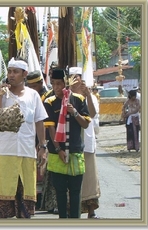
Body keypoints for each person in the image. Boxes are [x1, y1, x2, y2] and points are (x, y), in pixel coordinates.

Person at [0, 57, 48, 219]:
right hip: (5, 152)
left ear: (24, 74)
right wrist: (1, 96)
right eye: (9, 71)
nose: (11, 75)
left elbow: (39, 122)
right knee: (4, 202)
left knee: (25, 202)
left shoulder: (33, 96)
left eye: (15, 72)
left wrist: (42, 148)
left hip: (26, 153)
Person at [43, 68, 90, 218]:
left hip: (75, 151)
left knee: (76, 192)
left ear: (66, 84)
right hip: (57, 153)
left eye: (59, 84)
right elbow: (51, 129)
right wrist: (59, 150)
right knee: (60, 192)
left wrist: (74, 112)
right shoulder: (49, 101)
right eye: (53, 84)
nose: (56, 88)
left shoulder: (79, 99)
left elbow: (85, 124)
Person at [69, 67, 101, 219]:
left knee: (89, 178)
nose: (75, 80)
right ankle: (72, 209)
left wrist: (87, 95)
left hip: (86, 142)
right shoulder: (66, 95)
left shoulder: (90, 96)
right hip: (71, 142)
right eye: (72, 77)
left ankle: (90, 210)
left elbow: (92, 114)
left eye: (77, 77)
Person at [26, 70, 58, 214]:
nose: (31, 89)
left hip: (49, 140)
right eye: (29, 86)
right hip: (34, 139)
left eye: (34, 86)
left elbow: (46, 122)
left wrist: (43, 142)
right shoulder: (31, 96)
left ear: (40, 83)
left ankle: (53, 203)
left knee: (50, 173)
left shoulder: (49, 97)